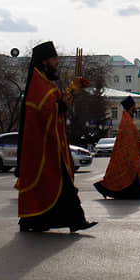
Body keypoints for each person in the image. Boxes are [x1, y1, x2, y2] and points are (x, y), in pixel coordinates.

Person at [15, 41, 96, 233]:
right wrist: (61, 104)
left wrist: (70, 93)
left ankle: (34, 221)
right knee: (60, 182)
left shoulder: (46, 80)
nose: (57, 62)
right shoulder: (37, 82)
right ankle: (75, 220)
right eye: (54, 58)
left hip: (51, 142)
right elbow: (45, 110)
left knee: (56, 183)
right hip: (42, 145)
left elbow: (54, 105)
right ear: (44, 61)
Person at [94, 96, 140, 200]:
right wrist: (139, 142)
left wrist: (139, 142)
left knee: (132, 173)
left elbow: (132, 135)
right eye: (135, 106)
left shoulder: (127, 118)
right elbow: (130, 136)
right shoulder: (127, 120)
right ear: (131, 107)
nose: (136, 108)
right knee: (128, 173)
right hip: (129, 152)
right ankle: (112, 190)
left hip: (133, 151)